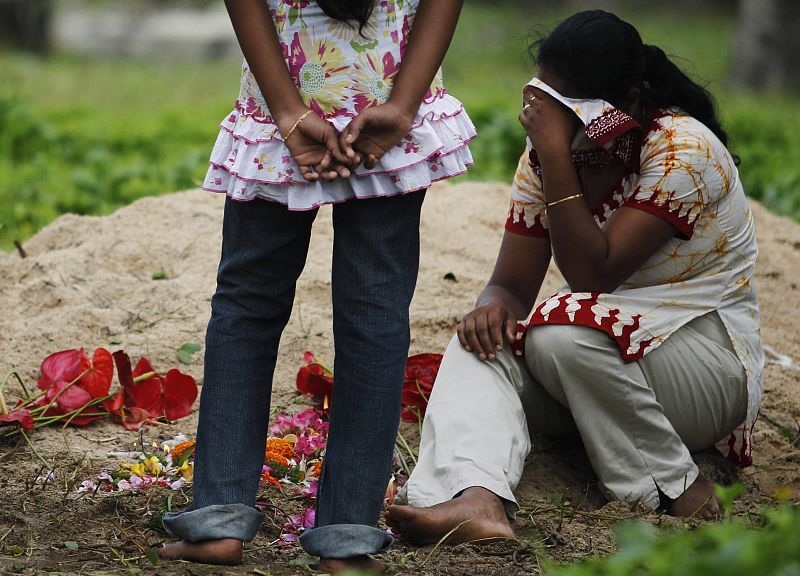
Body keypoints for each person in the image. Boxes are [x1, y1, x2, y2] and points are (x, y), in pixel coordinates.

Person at [385, 10, 764, 546]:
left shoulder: (683, 149)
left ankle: (676, 489)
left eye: (569, 110)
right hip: (598, 357)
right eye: (547, 102)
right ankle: (474, 496)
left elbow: (592, 275)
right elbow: (511, 289)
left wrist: (556, 155)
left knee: (561, 335)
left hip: (705, 364)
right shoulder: (553, 153)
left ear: (627, 101)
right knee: (479, 342)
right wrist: (491, 307)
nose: (549, 119)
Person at [158, 0, 473, 572]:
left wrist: (288, 112)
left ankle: (218, 523)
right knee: (376, 313)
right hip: (386, 96)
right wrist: (402, 107)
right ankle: (348, 539)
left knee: (247, 306)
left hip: (284, 105)